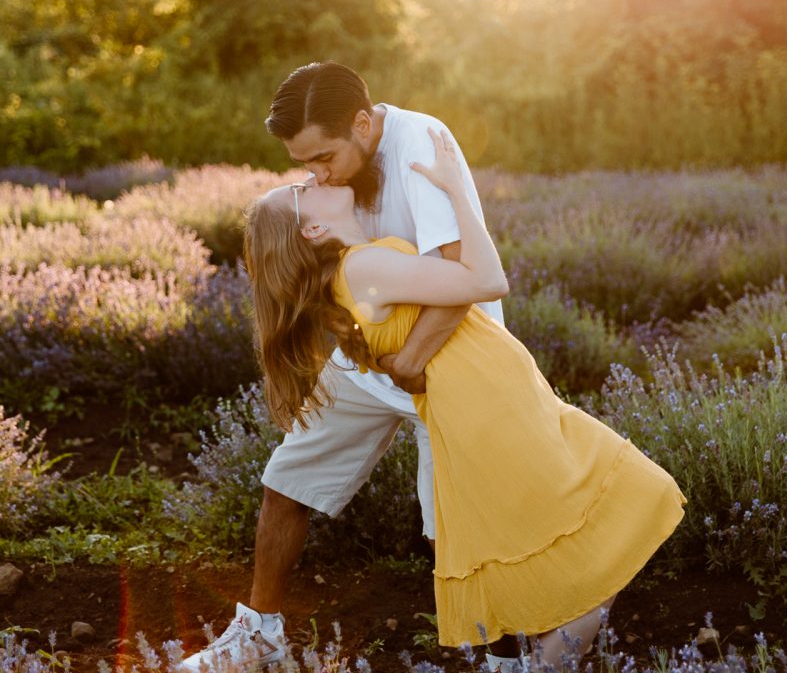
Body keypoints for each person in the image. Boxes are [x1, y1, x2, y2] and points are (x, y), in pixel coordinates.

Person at [239, 128, 686, 660]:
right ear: (312, 227)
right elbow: (488, 278)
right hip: (492, 410)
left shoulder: (359, 264)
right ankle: (541, 665)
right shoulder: (364, 268)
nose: (310, 177)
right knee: (633, 504)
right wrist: (456, 191)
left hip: (500, 403)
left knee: (592, 525)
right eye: (298, 188)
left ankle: (533, 663)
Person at [180, 62, 507, 672]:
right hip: (374, 350)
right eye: (306, 166)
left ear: (363, 123)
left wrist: (411, 360)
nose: (318, 174)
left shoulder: (420, 145)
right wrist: (358, 343)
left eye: (324, 158)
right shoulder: (337, 173)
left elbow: (464, 279)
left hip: (448, 354)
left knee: (456, 525)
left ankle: (504, 654)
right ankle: (260, 638)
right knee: (288, 478)